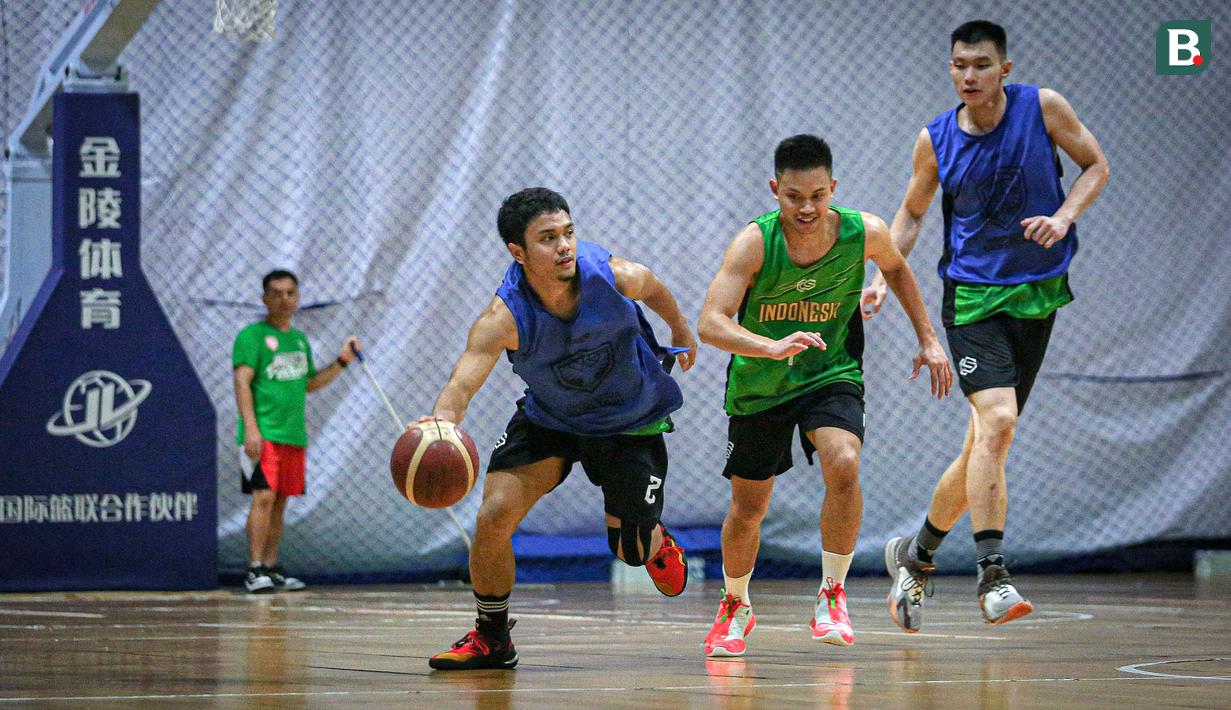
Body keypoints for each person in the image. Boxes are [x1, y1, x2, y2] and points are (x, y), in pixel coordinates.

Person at [863, 20, 1110, 630]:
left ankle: (914, 557)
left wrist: (1064, 214)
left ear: (1005, 68)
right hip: (972, 297)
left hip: (1038, 294)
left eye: (980, 64)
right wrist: (879, 278)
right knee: (998, 420)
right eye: (958, 65)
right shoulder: (937, 139)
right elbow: (912, 215)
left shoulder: (1042, 108)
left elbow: (1096, 165)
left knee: (985, 442)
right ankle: (992, 574)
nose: (968, 76)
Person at [697, 134, 952, 657]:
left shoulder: (866, 232)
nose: (807, 207)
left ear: (833, 188)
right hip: (760, 382)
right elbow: (710, 324)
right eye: (794, 196)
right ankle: (735, 604)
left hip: (829, 371)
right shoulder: (753, 243)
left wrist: (928, 338)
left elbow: (898, 267)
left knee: (844, 461)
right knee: (749, 507)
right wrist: (768, 346)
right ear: (775, 190)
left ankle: (832, 594)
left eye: (817, 194)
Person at [423, 187, 697, 671]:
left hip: (628, 419)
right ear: (518, 252)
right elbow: (464, 379)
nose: (565, 245)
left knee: (630, 552)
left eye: (568, 233)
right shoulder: (503, 317)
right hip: (551, 417)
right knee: (493, 517)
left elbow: (654, 286)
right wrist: (443, 420)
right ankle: (492, 638)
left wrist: (678, 330)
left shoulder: (613, 277)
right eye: (548, 238)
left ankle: (654, 539)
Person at [232, 269, 360, 593]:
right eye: (276, 293)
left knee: (280, 502)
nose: (284, 299)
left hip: (293, 435)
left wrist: (342, 361)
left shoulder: (299, 340)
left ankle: (271, 568)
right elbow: (242, 381)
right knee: (263, 497)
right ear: (265, 298)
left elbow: (310, 383)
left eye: (290, 293)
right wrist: (251, 429)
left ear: (297, 297)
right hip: (263, 434)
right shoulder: (251, 337)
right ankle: (254, 568)